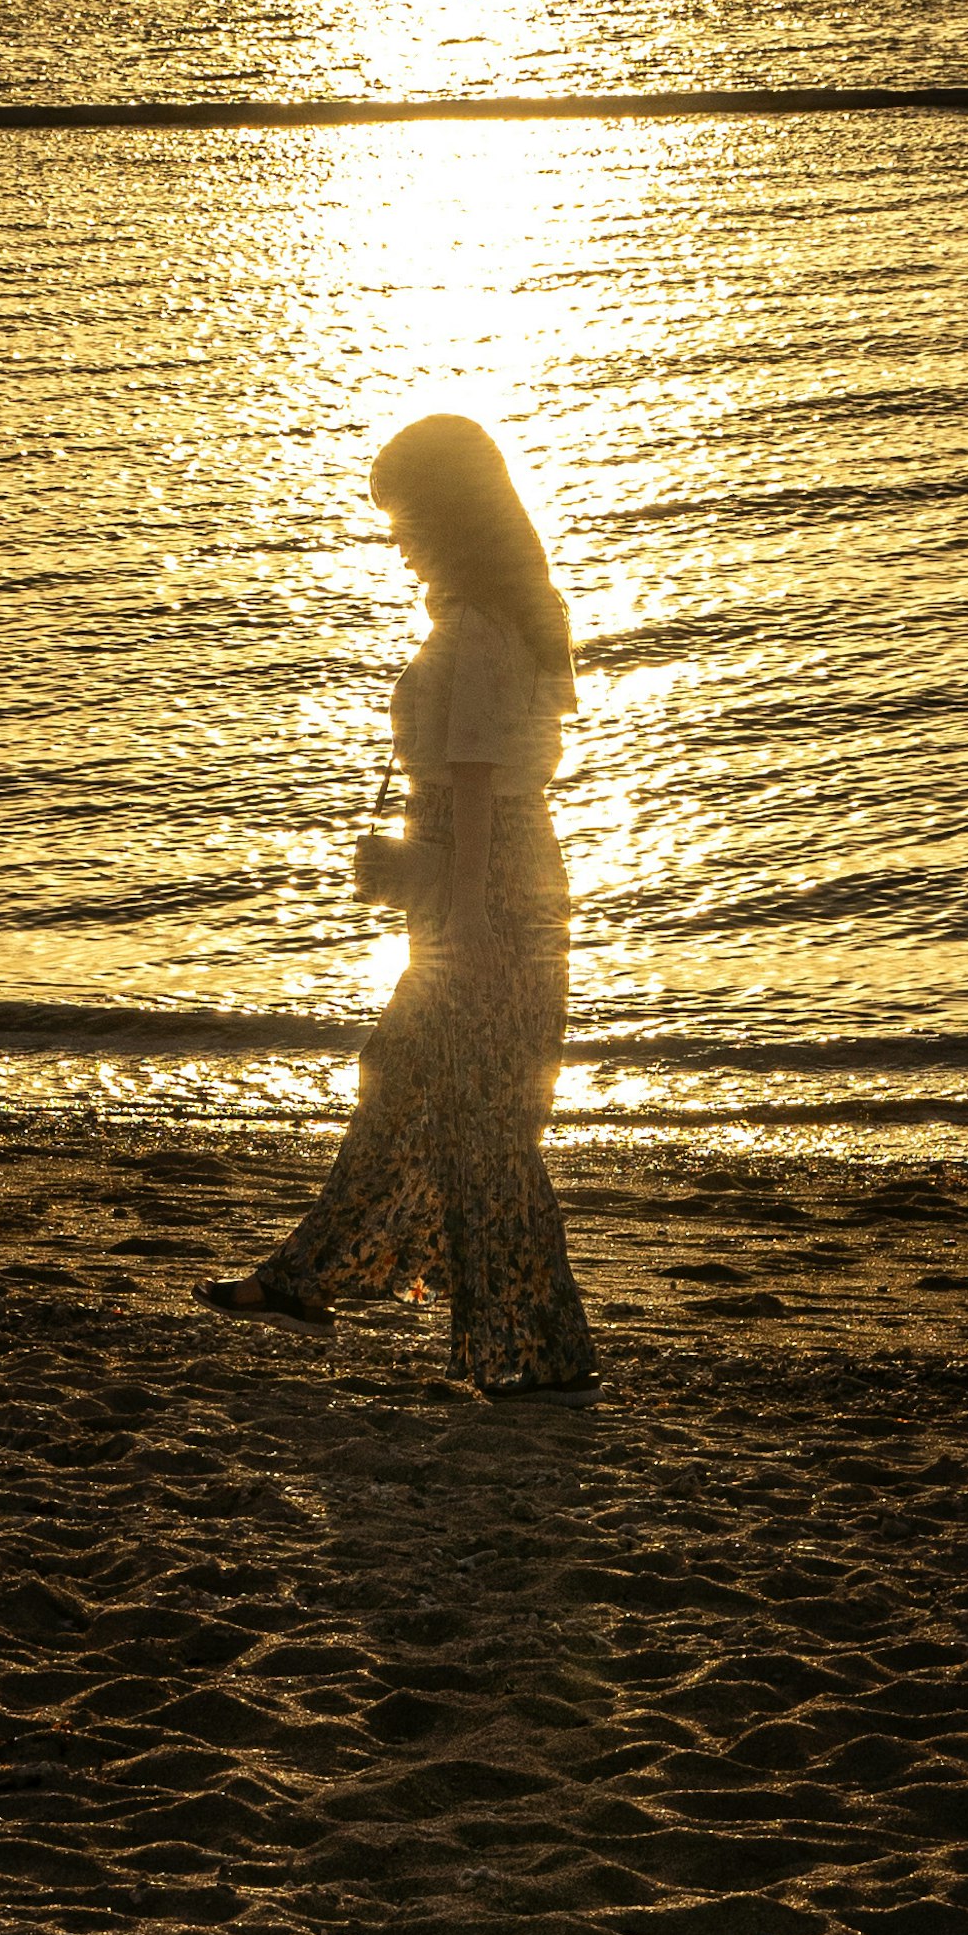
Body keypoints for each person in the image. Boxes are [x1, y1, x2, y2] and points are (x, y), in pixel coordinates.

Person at [203, 410, 596, 1398]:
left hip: (482, 873)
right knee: (445, 1098)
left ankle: (532, 1352)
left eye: (408, 514)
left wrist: (450, 910)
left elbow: (471, 784)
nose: (397, 535)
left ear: (450, 516)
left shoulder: (473, 631)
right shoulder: (516, 618)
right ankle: (317, 1279)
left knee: (478, 1122)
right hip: (512, 867)